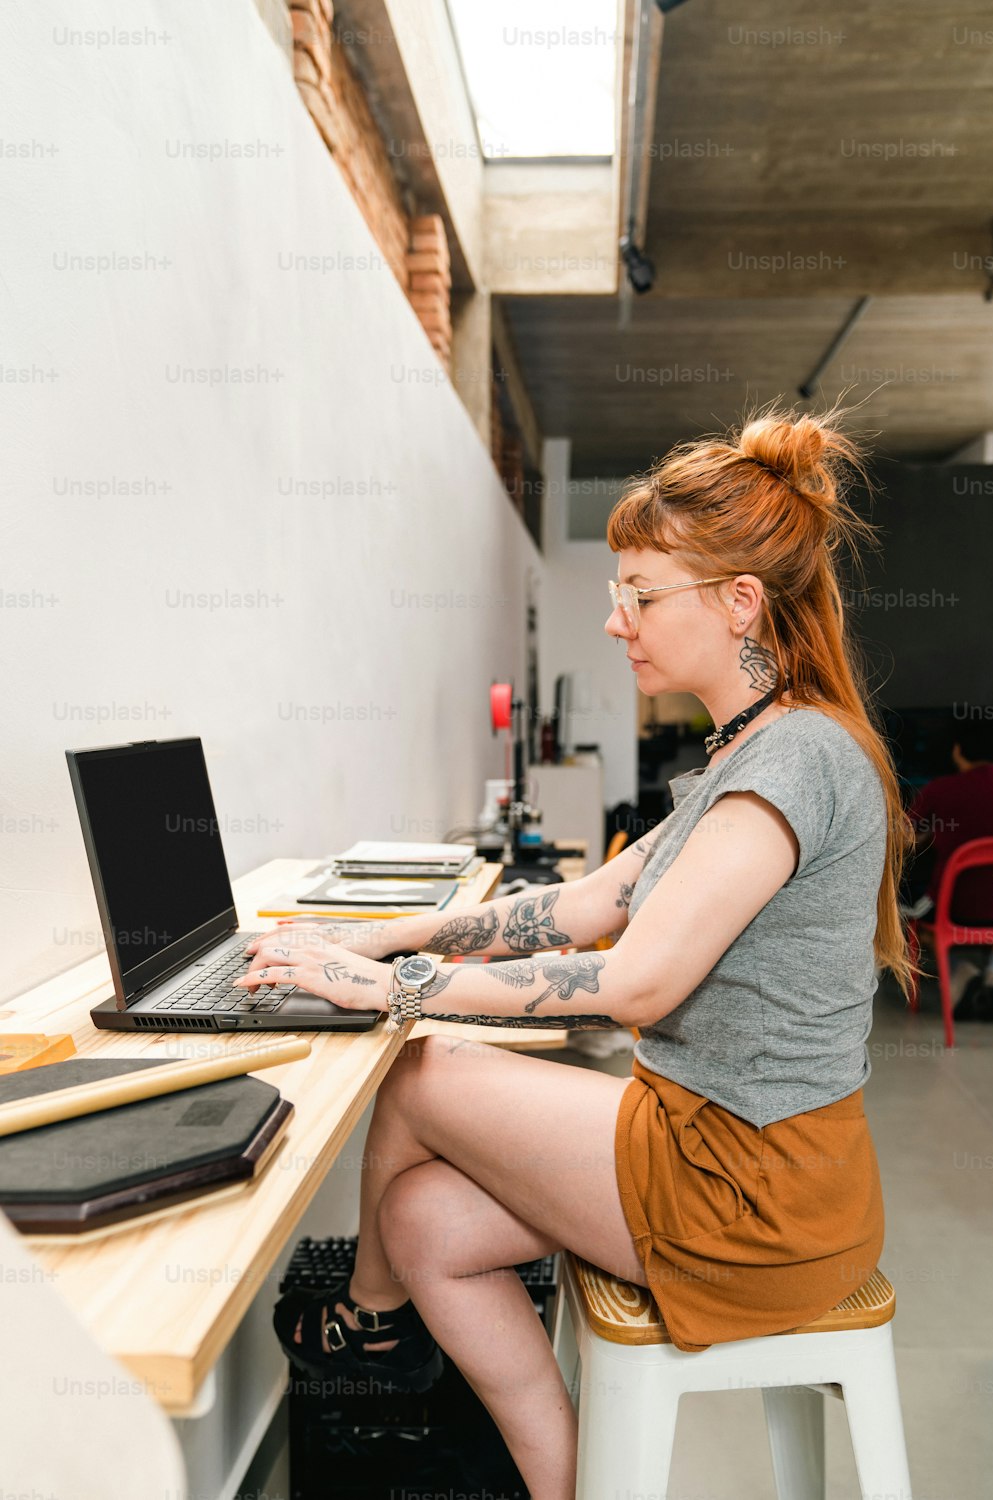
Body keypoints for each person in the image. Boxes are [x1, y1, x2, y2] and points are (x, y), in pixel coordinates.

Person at [237, 407, 913, 1500]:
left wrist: (393, 991)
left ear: (740, 601)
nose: (615, 621)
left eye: (639, 595)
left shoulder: (792, 762)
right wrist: (373, 939)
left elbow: (637, 978)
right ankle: (563, 1481)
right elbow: (589, 906)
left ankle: (360, 1333)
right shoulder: (754, 752)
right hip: (727, 1154)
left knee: (419, 1068)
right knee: (422, 1221)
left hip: (749, 1189)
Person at [904, 721, 993, 1007]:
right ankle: (991, 974)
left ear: (957, 751)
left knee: (913, 920)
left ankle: (961, 973)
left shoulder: (941, 790)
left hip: (953, 908)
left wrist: (931, 835)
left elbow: (902, 838)